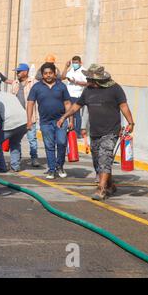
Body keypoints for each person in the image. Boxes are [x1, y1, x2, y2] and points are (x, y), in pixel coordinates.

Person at [57, 64, 135, 201]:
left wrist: (131, 122)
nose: (87, 80)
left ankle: (101, 189)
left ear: (97, 80)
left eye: (90, 79)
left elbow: (123, 106)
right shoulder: (88, 90)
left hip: (111, 131)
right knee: (98, 161)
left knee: (105, 158)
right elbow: (76, 106)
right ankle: (110, 185)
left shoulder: (115, 89)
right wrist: (64, 116)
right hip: (95, 131)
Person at [27, 62, 73, 180]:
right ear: (42, 74)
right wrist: (29, 120)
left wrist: (71, 120)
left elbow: (68, 103)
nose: (48, 75)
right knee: (49, 145)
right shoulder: (36, 87)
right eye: (45, 73)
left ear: (54, 73)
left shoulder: (61, 86)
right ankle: (52, 169)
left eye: (50, 73)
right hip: (45, 122)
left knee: (62, 143)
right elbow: (30, 103)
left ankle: (60, 166)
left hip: (61, 120)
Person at [8, 63, 40, 167]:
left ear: (25, 72)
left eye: (19, 71)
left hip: (31, 116)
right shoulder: (15, 83)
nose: (17, 73)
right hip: (18, 118)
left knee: (32, 139)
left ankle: (34, 158)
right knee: (16, 139)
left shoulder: (34, 83)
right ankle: (17, 158)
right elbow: (11, 99)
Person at [0, 91, 29, 172]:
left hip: (10, 122)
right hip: (24, 121)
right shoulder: (10, 94)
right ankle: (15, 166)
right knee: (15, 143)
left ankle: (1, 166)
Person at [61, 56, 88, 137]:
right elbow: (62, 77)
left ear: (80, 62)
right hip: (68, 94)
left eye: (76, 63)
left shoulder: (84, 71)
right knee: (68, 113)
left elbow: (86, 83)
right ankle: (70, 129)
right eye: (73, 63)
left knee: (76, 114)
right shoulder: (71, 69)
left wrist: (75, 81)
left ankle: (77, 132)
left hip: (77, 95)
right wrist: (66, 67)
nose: (75, 64)